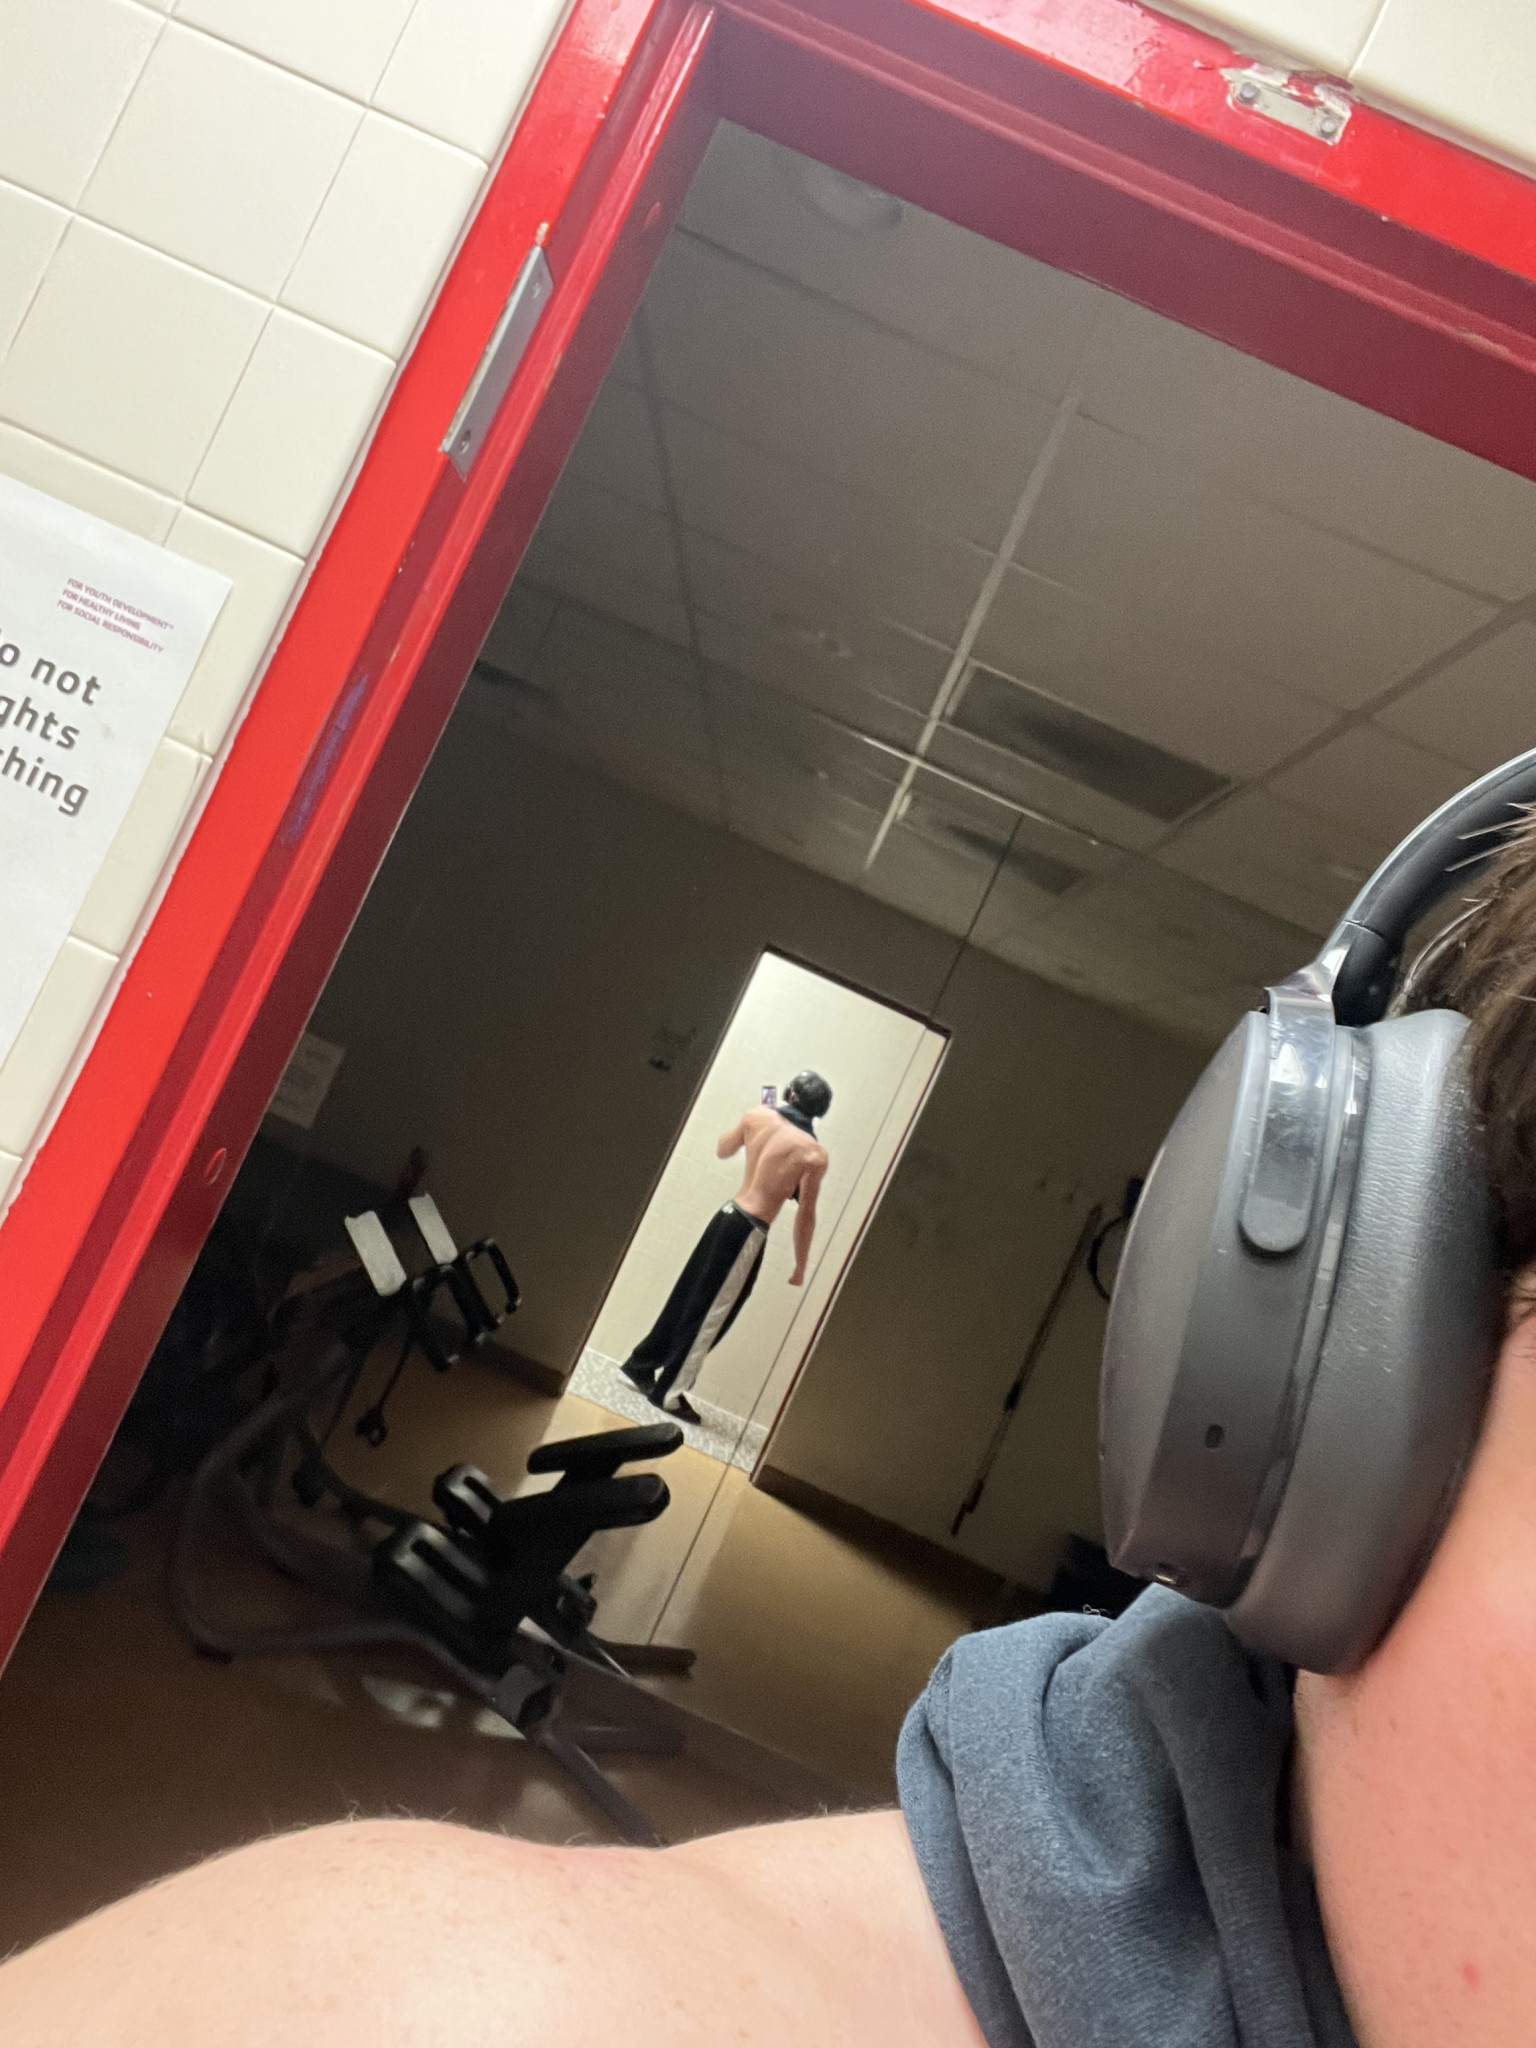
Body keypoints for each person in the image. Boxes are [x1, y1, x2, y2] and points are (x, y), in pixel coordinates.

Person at [12, 813, 1536, 2048]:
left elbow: (748, 1168)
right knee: (680, 1335)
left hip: (721, 1230)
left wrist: (776, 1242)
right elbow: (781, 1198)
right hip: (736, 1238)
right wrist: (786, 1253)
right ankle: (654, 1377)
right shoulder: (457, 2002)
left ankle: (658, 1377)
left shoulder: (769, 1125)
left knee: (683, 1331)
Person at [619, 1070, 830, 1424]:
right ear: (818, 1110)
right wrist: (800, 1264)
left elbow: (723, 1149)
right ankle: (669, 1394)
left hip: (726, 1216)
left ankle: (642, 1364)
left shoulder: (758, 1115)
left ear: (791, 1095)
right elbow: (805, 1214)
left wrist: (759, 1114)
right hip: (749, 1230)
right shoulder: (813, 1154)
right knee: (712, 1315)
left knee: (687, 1296)